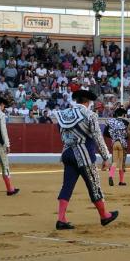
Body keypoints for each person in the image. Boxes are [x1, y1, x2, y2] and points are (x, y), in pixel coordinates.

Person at [54, 89, 118, 230]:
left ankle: (61, 219)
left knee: (67, 186)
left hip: (67, 153)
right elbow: (97, 137)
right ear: (87, 102)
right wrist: (106, 157)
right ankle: (104, 215)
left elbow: (61, 131)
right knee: (94, 185)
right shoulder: (90, 115)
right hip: (84, 156)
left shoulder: (63, 114)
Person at [105, 108, 130, 186]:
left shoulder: (110, 121)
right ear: (123, 115)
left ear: (116, 114)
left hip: (114, 143)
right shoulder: (126, 122)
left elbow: (105, 133)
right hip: (122, 143)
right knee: (121, 163)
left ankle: (111, 175)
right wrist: (125, 137)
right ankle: (121, 181)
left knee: (114, 162)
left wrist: (113, 136)